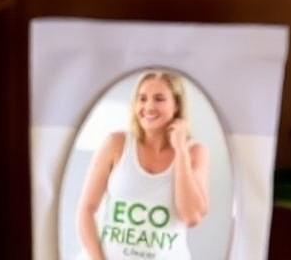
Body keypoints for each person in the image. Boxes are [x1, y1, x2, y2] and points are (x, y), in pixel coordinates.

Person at [76, 70, 210, 260]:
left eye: (159, 99)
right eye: (142, 98)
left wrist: (180, 150)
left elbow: (191, 217)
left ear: (176, 105)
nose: (148, 106)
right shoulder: (116, 143)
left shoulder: (195, 152)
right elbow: (86, 210)